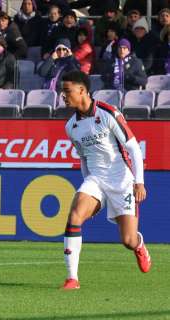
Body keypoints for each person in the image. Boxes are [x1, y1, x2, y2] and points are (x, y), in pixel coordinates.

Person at [59, 70, 151, 290]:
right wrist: (87, 189)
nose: (63, 95)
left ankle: (139, 245)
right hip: (96, 180)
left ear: (82, 90)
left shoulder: (109, 113)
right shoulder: (71, 126)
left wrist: (139, 182)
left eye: (67, 91)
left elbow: (133, 148)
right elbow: (83, 158)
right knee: (74, 215)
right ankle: (73, 278)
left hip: (122, 181)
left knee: (127, 240)